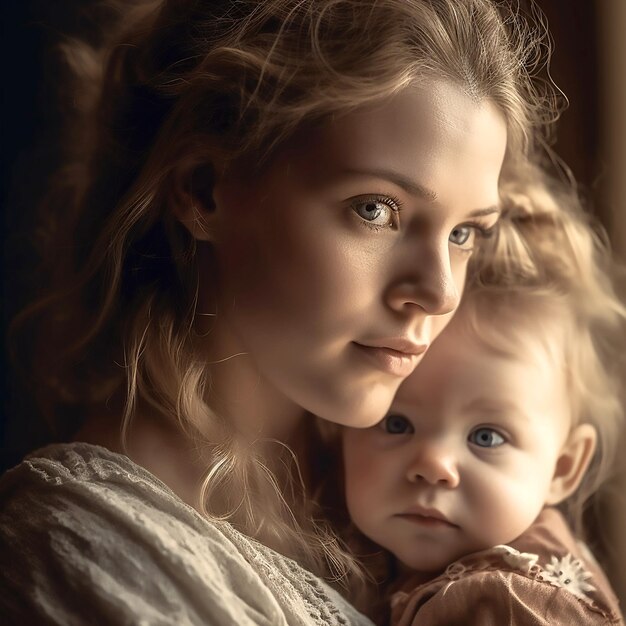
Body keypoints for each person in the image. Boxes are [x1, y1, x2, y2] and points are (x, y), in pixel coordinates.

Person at [0, 0, 575, 623]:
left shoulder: (444, 475)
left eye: (464, 233)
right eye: (376, 210)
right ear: (202, 189)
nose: (438, 293)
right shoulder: (84, 544)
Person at [341, 189, 626, 624]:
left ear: (564, 467)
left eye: (486, 437)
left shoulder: (506, 599)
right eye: (397, 423)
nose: (433, 465)